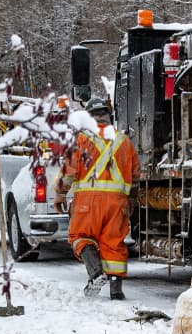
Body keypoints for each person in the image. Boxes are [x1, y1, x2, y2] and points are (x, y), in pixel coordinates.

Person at [55, 97, 139, 300]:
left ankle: (96, 273)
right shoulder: (124, 141)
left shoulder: (80, 140)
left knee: (80, 237)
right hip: (117, 203)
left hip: (88, 202)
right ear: (108, 116)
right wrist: (133, 199)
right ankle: (116, 290)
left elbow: (69, 172)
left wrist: (60, 194)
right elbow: (135, 175)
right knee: (114, 243)